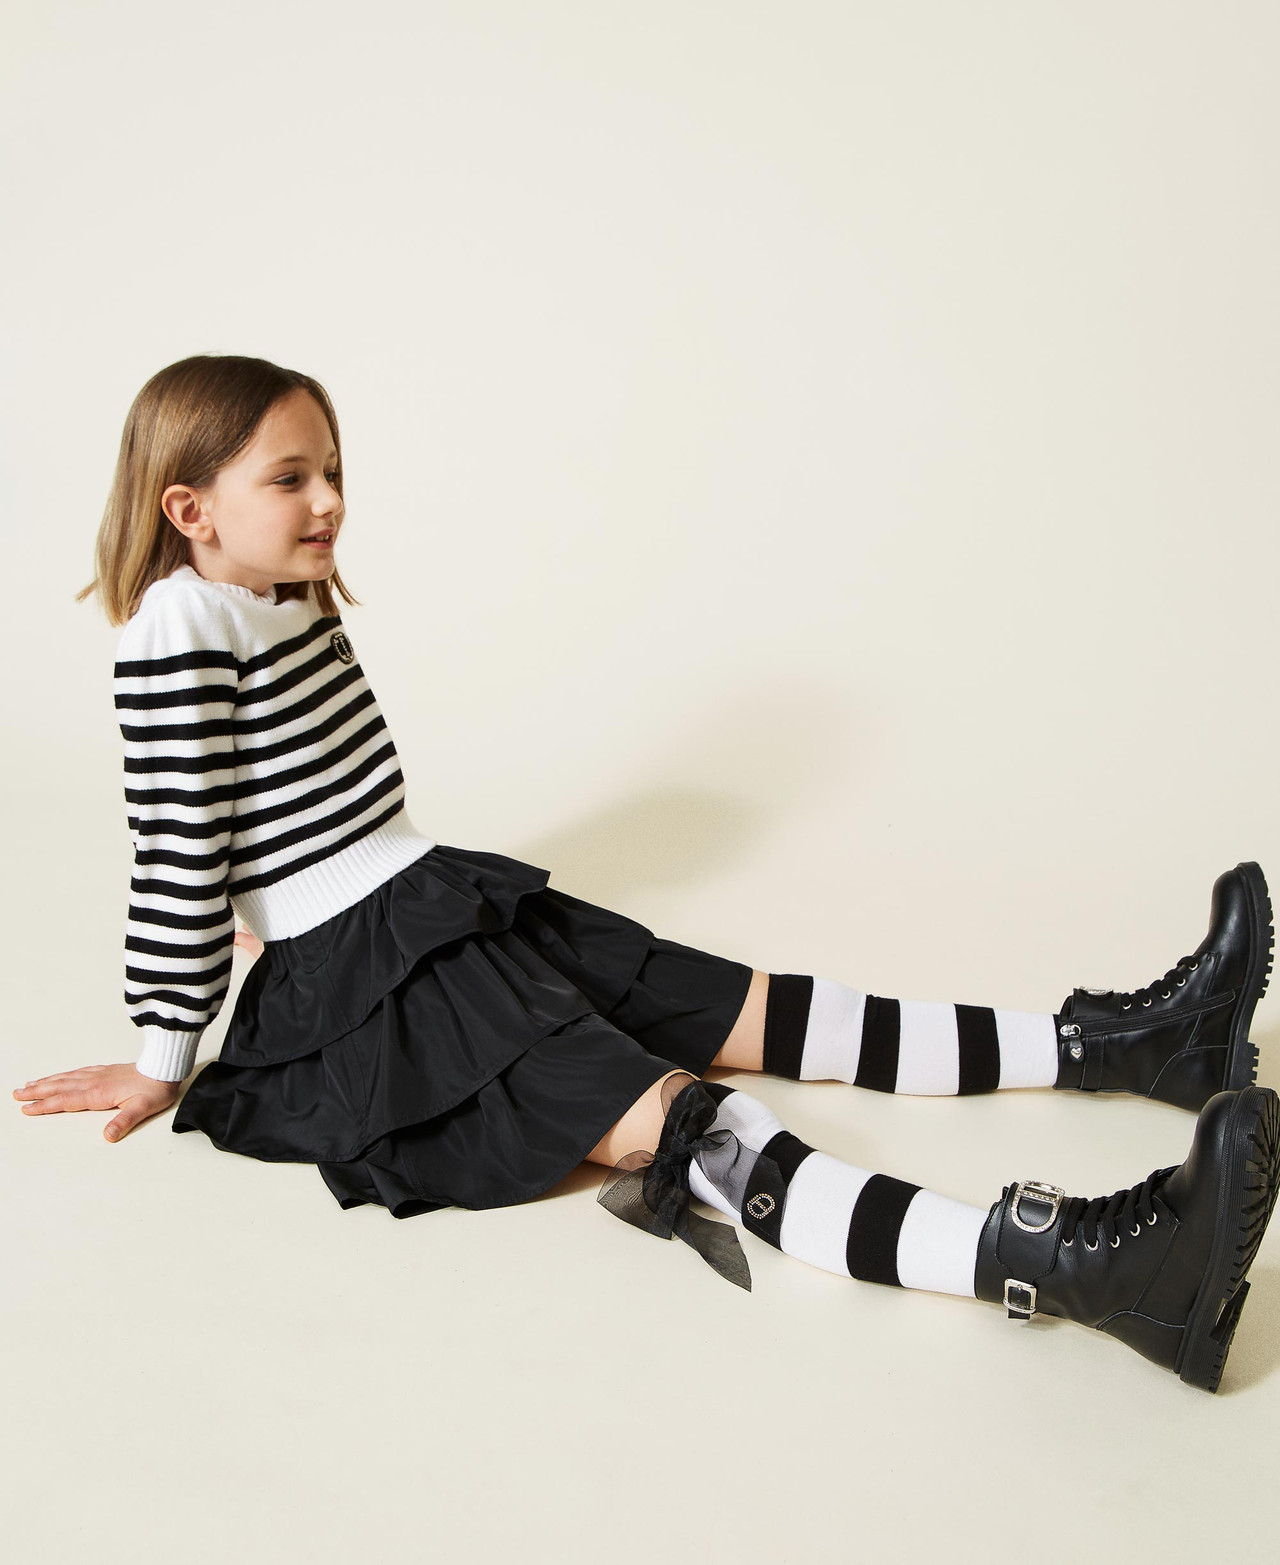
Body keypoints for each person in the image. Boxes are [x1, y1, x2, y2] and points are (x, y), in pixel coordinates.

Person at [14, 353, 1278, 1395]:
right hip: (385, 967)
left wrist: (270, 910)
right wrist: (165, 1048)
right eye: (290, 477)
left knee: (752, 1005)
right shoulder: (178, 626)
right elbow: (177, 845)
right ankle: (1086, 1267)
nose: (329, 498)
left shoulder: (280, 592)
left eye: (333, 469)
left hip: (428, 902)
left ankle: (1136, 1044)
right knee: (683, 1117)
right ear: (189, 508)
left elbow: (280, 803)